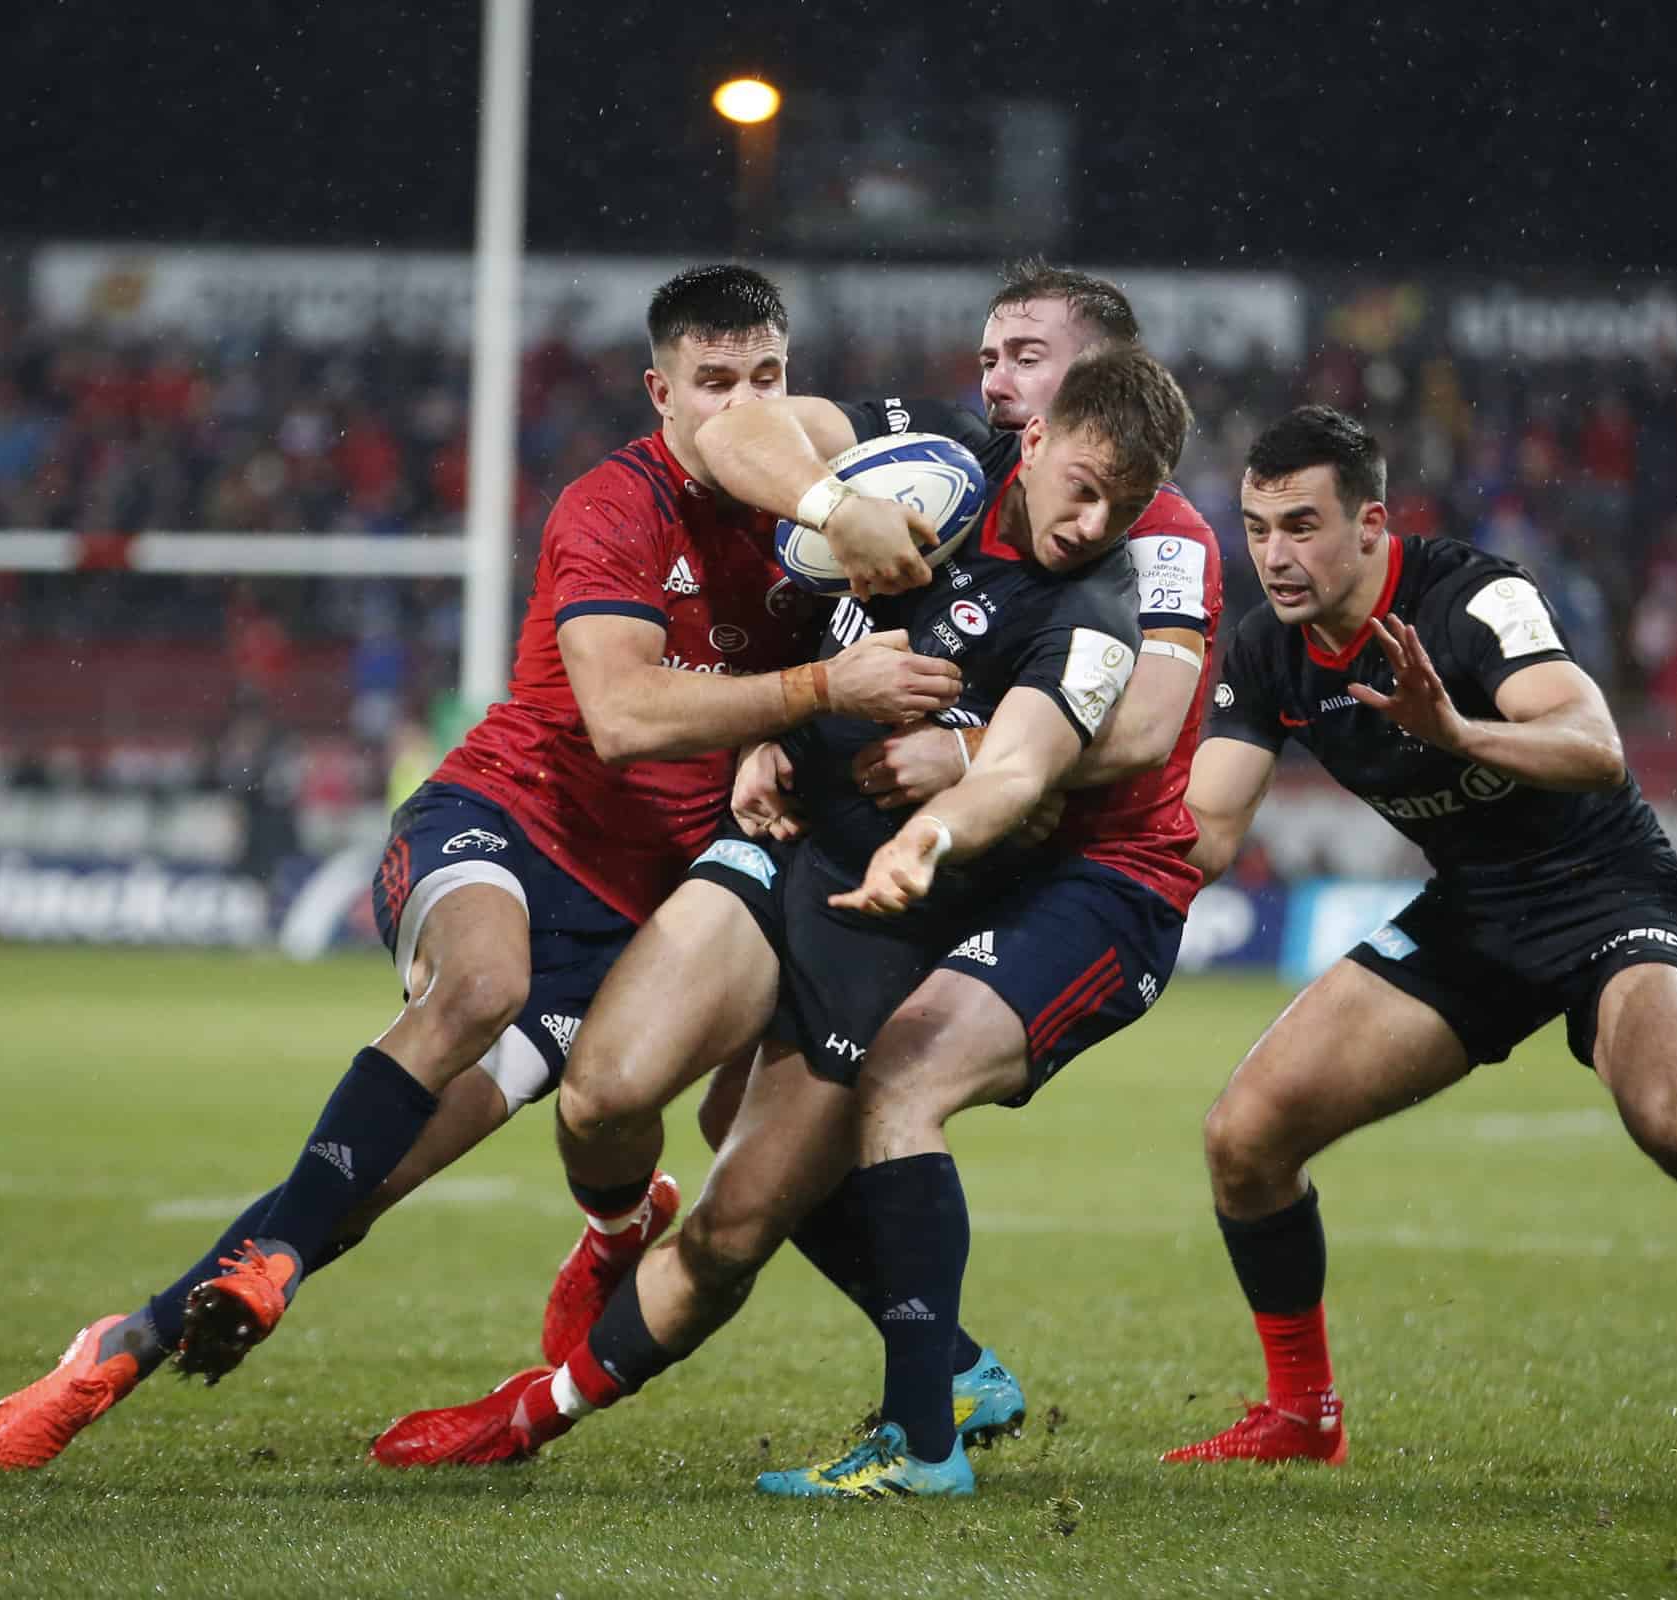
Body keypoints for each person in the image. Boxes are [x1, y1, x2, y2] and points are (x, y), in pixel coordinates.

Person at [0, 264, 950, 1472]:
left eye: (765, 375)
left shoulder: (815, 512)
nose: (742, 402)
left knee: (441, 1162)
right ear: (660, 393)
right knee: (473, 992)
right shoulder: (613, 505)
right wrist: (807, 693)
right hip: (507, 819)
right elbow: (623, 715)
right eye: (712, 382)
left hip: (640, 907)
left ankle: (612, 1226)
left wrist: (792, 723)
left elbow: (830, 510)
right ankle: (126, 1350)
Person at [371, 346, 1197, 1501]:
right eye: (1084, 481)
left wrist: (934, 830)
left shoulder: (1098, 608)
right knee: (603, 1092)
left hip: (881, 925)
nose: (1091, 518)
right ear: (1042, 437)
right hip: (777, 846)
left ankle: (533, 1411)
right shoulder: (935, 462)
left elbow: (1020, 768)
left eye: (1123, 503)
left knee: (731, 1230)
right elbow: (733, 434)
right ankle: (628, 1235)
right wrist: (829, 521)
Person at [1159, 405, 1677, 1476]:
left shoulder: (1474, 597)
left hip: (1605, 891)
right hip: (1475, 910)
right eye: (1255, 527)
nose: (1274, 555)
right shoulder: (1265, 649)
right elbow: (1201, 833)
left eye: (1300, 524)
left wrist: (1457, 732)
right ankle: (1301, 1414)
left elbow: (1593, 745)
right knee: (1241, 1139)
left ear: (1372, 522)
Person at [549, 260, 1224, 1450]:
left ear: (1100, 378)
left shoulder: (1148, 537)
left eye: (1026, 355)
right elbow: (758, 454)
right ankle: (951, 1368)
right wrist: (784, 694)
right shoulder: (959, 460)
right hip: (931, 843)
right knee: (727, 1127)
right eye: (987, 356)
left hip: (1076, 867)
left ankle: (926, 1422)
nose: (993, 377)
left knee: (890, 1092)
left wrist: (962, 758)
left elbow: (1137, 730)